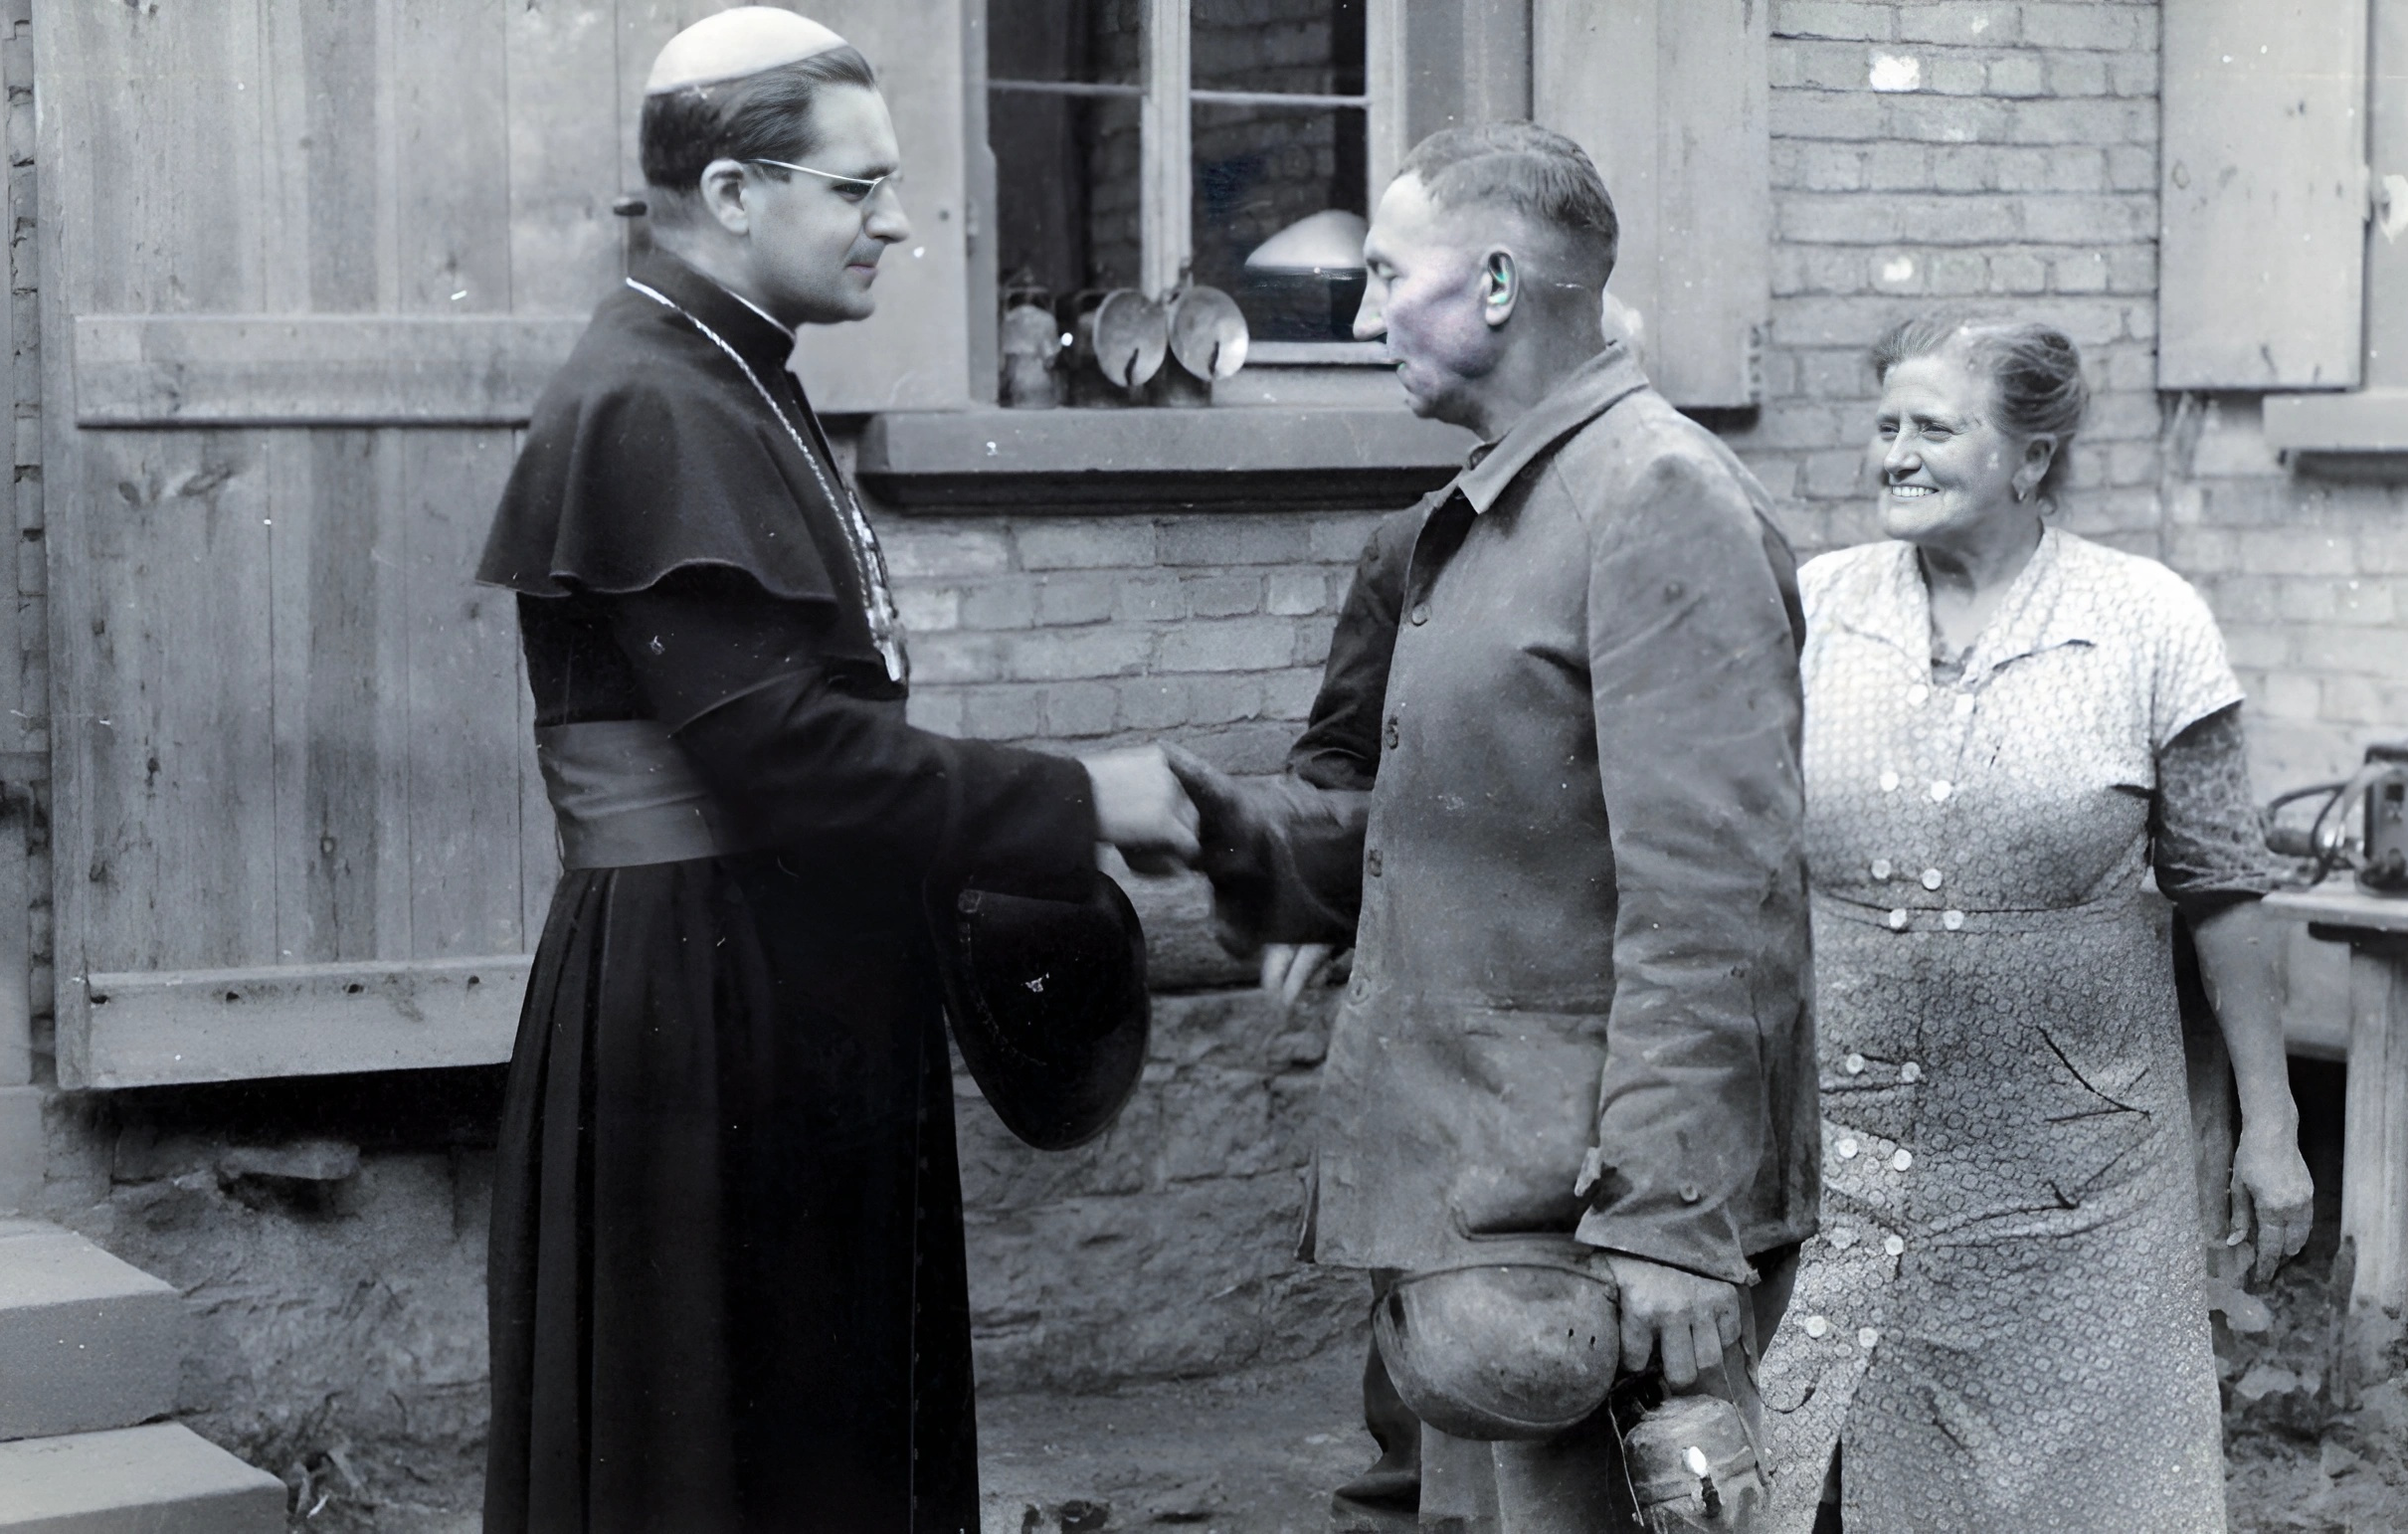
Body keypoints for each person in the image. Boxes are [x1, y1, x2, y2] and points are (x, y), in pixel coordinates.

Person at [471, 11, 1195, 1530]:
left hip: (766, 972)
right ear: (735, 194)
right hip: (702, 998)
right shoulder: (654, 395)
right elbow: (784, 757)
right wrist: (1079, 799)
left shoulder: (730, 371)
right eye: (858, 189)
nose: (899, 222)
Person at [1171, 121, 1817, 1532]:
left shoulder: (1656, 496)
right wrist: (1226, 835)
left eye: (1388, 272)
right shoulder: (1502, 510)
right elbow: (1468, 831)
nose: (1360, 309)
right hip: (1499, 1213)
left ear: (1502, 284)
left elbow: (1716, 897)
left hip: (1602, 1231)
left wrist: (1669, 1218)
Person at [1752, 315, 2314, 1533]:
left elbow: (2222, 884)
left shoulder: (2148, 621)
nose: (1895, 454)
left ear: (2032, 455)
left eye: (1934, 429)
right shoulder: (1814, 609)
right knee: (1820, 1470)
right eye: (1885, 425)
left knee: (2082, 1491)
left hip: (2077, 1177)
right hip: (1841, 1147)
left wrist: (2271, 1123)